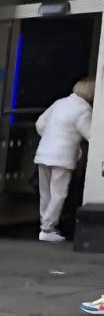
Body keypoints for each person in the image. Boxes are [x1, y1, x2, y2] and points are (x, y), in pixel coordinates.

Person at [35, 78, 93, 243]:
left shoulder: (59, 103)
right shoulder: (84, 110)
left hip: (44, 153)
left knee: (45, 193)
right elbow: (91, 135)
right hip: (63, 156)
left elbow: (40, 124)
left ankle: (44, 225)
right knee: (58, 193)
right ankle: (47, 228)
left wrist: (50, 137)